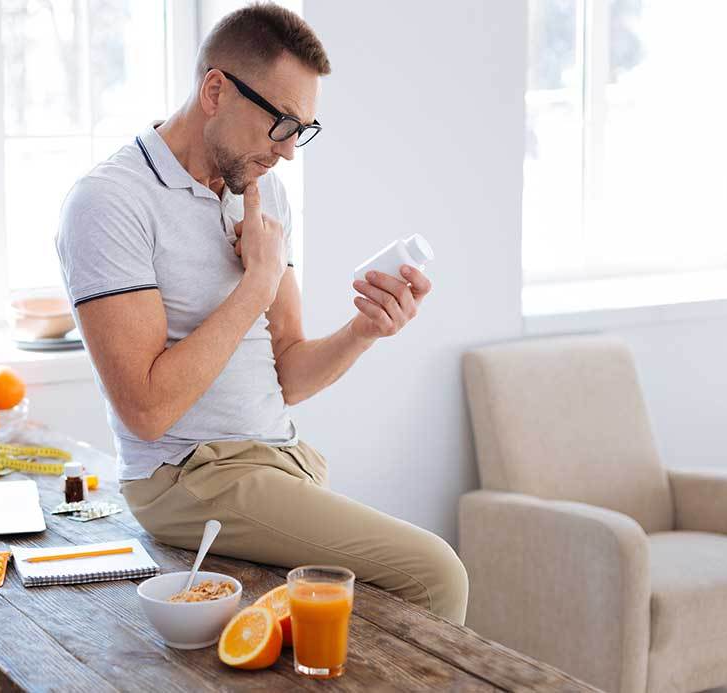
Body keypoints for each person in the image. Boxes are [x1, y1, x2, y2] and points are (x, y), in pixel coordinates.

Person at [56, 3, 467, 623]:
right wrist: (258, 282)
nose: (289, 151)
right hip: (187, 476)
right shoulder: (110, 202)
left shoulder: (262, 189)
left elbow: (290, 375)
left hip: (279, 462)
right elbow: (145, 410)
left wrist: (365, 330)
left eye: (302, 129)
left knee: (363, 620)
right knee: (436, 573)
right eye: (280, 122)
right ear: (216, 90)